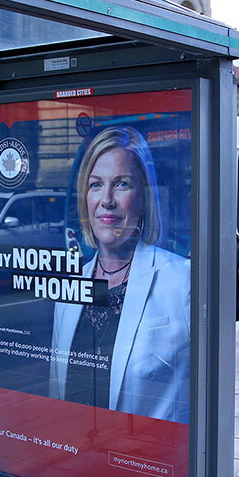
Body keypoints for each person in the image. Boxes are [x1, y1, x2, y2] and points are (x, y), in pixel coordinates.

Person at [50, 126, 190, 424]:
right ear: (85, 197)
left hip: (141, 463)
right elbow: (56, 395)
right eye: (96, 184)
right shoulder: (70, 288)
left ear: (143, 198)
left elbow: (196, 399)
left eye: (122, 184)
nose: (107, 200)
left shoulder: (181, 281)